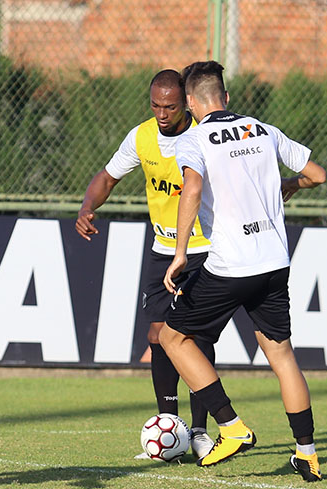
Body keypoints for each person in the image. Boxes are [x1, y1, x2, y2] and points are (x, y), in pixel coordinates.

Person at [158, 61, 327, 482]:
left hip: (231, 266)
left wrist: (180, 254)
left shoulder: (195, 139)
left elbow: (192, 189)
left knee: (172, 337)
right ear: (226, 97)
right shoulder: (263, 130)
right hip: (274, 263)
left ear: (192, 103)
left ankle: (231, 426)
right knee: (282, 356)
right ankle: (306, 454)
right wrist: (292, 186)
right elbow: (317, 174)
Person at [75, 69, 216, 460]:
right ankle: (171, 428)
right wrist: (87, 207)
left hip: (204, 249)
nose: (162, 113)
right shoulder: (141, 136)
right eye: (155, 105)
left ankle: (202, 431)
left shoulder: (204, 136)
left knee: (194, 339)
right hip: (163, 250)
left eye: (170, 106)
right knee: (157, 338)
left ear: (185, 103)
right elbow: (107, 177)